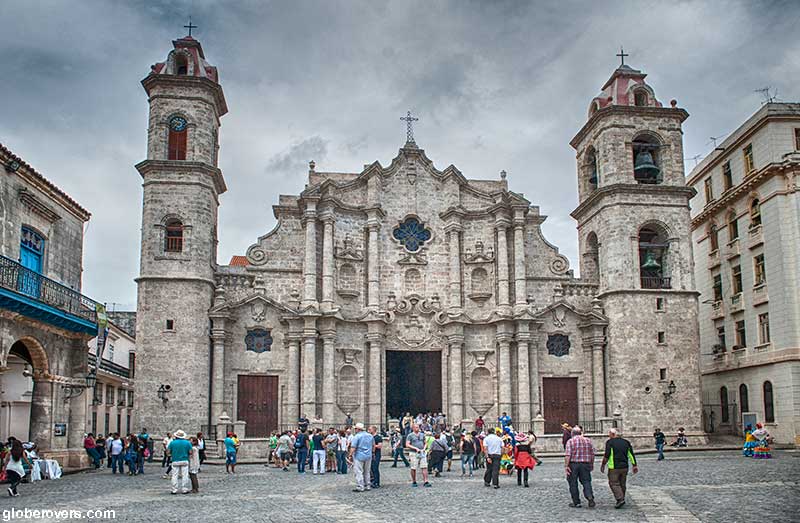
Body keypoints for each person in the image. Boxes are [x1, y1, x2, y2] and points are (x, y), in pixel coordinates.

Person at [600, 428, 638, 509]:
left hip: (614, 467)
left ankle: (620, 498)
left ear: (613, 434)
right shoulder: (626, 442)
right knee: (622, 483)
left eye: (609, 433)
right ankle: (622, 497)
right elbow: (631, 454)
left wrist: (603, 464)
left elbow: (607, 455)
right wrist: (634, 465)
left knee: (613, 483)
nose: (609, 435)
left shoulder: (610, 442)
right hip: (624, 466)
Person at [564, 426, 595, 508]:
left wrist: (566, 466)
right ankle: (590, 496)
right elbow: (592, 454)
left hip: (573, 464)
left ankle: (576, 502)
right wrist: (591, 464)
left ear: (572, 434)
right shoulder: (588, 441)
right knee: (586, 481)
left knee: (573, 482)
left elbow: (568, 455)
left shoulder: (570, 441)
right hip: (585, 464)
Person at [347, 423, 373, 492]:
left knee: (358, 471)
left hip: (359, 456)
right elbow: (373, 445)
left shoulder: (357, 436)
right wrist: (372, 453)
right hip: (368, 455)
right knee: (367, 471)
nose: (355, 430)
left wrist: (350, 455)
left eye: (355, 429)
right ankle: (367, 485)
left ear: (358, 429)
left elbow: (353, 447)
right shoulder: (370, 435)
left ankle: (360, 486)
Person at [168, 430, 192, 495]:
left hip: (175, 460)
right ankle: (184, 489)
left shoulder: (172, 443)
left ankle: (174, 489)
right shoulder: (187, 443)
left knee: (174, 475)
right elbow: (190, 452)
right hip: (184, 460)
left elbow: (168, 452)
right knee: (185, 475)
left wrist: (172, 454)